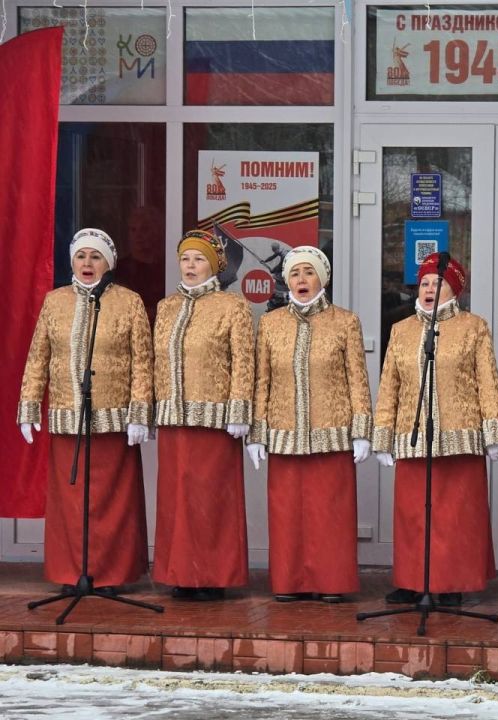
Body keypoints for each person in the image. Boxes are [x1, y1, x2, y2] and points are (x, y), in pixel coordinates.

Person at [18, 228, 151, 592]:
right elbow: (38, 357)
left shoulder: (129, 301)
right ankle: (70, 572)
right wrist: (29, 406)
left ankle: (109, 574)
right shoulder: (54, 301)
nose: (87, 263)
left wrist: (140, 412)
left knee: (110, 500)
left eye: (95, 256)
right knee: (70, 501)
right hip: (66, 414)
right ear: (72, 261)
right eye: (81, 256)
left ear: (108, 263)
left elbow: (143, 360)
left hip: (113, 417)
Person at [373, 252, 498, 607]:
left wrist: (493, 433)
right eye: (425, 282)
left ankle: (450, 583)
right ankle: (412, 581)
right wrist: (383, 435)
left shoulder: (473, 326)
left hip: (459, 434)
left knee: (455, 514)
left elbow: (488, 382)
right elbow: (390, 385)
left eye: (439, 283)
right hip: (412, 434)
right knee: (413, 513)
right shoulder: (401, 330)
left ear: (456, 290)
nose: (430, 288)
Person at [246, 246, 372, 603]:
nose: (302, 280)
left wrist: (362, 430)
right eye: (295, 274)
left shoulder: (345, 321)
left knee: (329, 511)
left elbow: (357, 381)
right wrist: (256, 433)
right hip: (284, 431)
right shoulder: (271, 323)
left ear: (323, 278)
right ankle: (290, 582)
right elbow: (262, 380)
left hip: (332, 431)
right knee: (287, 511)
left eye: (309, 272)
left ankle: (331, 582)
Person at [152, 229, 255, 601]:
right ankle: (179, 573)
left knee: (212, 498)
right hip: (174, 417)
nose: (191, 265)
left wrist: (240, 410)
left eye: (198, 259)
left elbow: (245, 361)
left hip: (216, 420)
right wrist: (147, 411)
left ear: (213, 265)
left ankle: (212, 576)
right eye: (185, 259)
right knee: (176, 499)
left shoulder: (233, 307)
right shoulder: (166, 307)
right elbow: (153, 361)